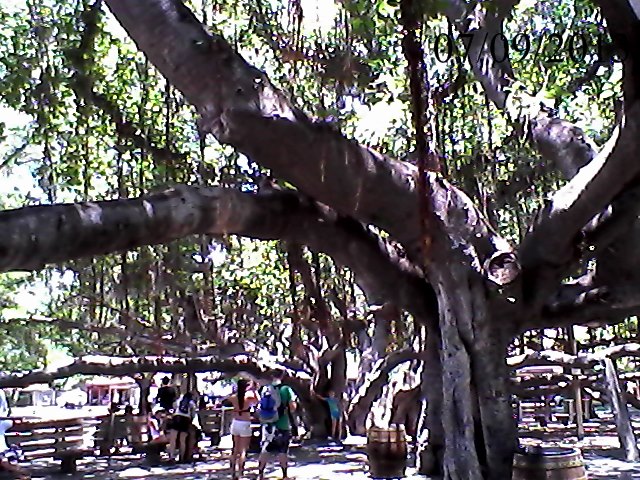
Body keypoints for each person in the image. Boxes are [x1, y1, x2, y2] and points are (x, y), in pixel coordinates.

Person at [258, 371, 296, 480]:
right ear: (283, 376)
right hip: (282, 424)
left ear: (271, 376)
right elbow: (292, 407)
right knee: (282, 451)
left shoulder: (265, 389)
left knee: (265, 449)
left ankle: (260, 474)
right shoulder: (286, 389)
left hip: (267, 424)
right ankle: (284, 475)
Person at [228, 378, 259, 479]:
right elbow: (257, 401)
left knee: (235, 449)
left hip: (235, 422)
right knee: (243, 450)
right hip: (245, 422)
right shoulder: (249, 397)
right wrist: (254, 390)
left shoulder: (233, 397)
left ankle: (233, 471)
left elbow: (224, 400)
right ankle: (240, 471)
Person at [167, 391, 196, 463]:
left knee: (173, 439)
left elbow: (174, 407)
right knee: (182, 440)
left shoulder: (179, 400)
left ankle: (171, 457)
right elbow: (193, 414)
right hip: (186, 420)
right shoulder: (192, 403)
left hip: (177, 418)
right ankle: (182, 458)